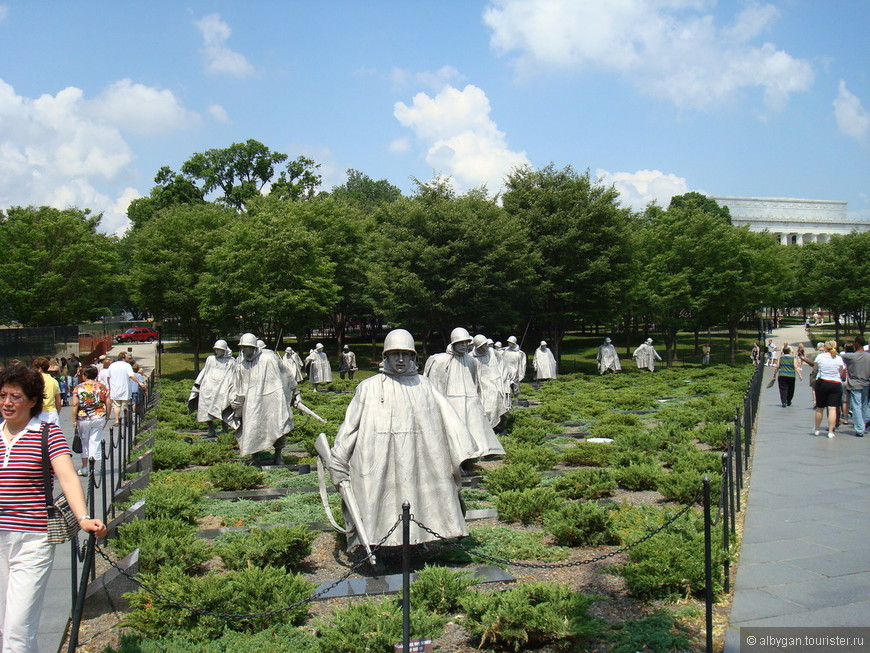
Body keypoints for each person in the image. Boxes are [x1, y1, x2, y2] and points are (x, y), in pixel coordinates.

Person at [328, 329, 478, 552]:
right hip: (380, 458)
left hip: (421, 459)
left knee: (421, 498)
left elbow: (450, 423)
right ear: (386, 356)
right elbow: (351, 426)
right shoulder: (368, 387)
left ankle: (421, 539)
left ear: (413, 357)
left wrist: (458, 456)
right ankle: (380, 541)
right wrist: (338, 459)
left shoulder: (425, 386)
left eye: (405, 354)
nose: (400, 359)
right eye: (395, 354)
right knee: (382, 500)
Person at [0, 365, 106, 651]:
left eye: (16, 397)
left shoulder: (47, 433)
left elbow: (68, 477)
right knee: (3, 625)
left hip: (32, 540)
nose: (7, 403)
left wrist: (83, 518)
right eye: (3, 396)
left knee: (19, 628)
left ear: (33, 400)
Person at [423, 327, 504, 457]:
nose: (464, 345)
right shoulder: (442, 360)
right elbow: (436, 383)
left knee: (476, 426)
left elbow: (474, 379)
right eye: (461, 342)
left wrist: (475, 396)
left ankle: (481, 450)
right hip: (453, 399)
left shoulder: (471, 360)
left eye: (466, 342)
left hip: (471, 398)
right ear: (454, 343)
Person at [232, 333, 298, 460]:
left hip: (271, 398)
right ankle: (254, 456)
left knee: (278, 424)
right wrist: (234, 400)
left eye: (246, 347)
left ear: (254, 347)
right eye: (242, 347)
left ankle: (278, 456)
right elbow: (236, 384)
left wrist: (295, 392)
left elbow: (285, 374)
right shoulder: (241, 363)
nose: (243, 350)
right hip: (250, 402)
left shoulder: (269, 358)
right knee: (251, 427)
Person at [188, 340, 237, 437]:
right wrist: (198, 384)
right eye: (216, 349)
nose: (217, 352)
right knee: (205, 409)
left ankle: (224, 428)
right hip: (208, 388)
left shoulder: (231, 362)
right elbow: (205, 371)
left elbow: (233, 376)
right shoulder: (210, 359)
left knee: (224, 408)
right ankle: (211, 428)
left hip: (223, 389)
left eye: (220, 350)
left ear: (224, 350)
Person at [72, 366, 111, 476]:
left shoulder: (78, 387)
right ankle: (93, 467)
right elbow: (108, 402)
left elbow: (75, 404)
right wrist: (107, 416)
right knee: (95, 441)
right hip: (98, 416)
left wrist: (73, 419)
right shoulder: (101, 387)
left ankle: (84, 467)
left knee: (84, 441)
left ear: (84, 375)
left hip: (83, 417)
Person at [471, 335, 509, 428]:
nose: (485, 347)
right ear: (477, 347)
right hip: (482, 386)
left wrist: (503, 379)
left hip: (495, 383)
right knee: (486, 407)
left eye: (485, 345)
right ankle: (490, 427)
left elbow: (502, 364)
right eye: (482, 346)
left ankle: (501, 426)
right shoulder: (472, 357)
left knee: (499, 404)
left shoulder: (492, 352)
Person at [812, 340, 846, 438]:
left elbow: (815, 368)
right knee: (832, 409)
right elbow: (841, 371)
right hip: (835, 383)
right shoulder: (838, 358)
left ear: (825, 347)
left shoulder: (820, 357)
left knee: (820, 408)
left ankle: (817, 429)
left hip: (822, 382)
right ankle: (830, 431)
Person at [841, 336, 870, 437]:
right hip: (866, 383)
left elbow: (841, 355)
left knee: (856, 406)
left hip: (855, 384)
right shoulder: (868, 356)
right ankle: (866, 419)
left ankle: (859, 428)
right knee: (865, 404)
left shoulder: (851, 357)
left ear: (857, 343)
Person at [107, 353, 146, 426]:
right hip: (125, 388)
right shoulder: (127, 365)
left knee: (116, 405)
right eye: (127, 357)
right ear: (124, 357)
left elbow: (108, 377)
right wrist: (140, 383)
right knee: (126, 405)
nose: (128, 358)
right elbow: (131, 375)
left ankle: (116, 421)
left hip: (115, 388)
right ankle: (128, 420)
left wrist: (110, 386)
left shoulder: (112, 365)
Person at [33, 358, 61, 425]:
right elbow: (58, 402)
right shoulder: (54, 381)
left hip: (38, 413)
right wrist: (57, 412)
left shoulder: (34, 381)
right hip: (52, 413)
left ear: (39, 369)